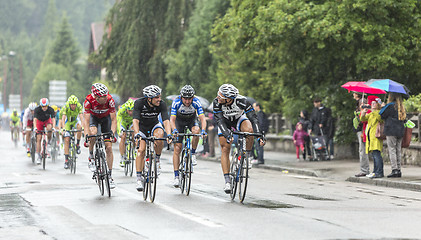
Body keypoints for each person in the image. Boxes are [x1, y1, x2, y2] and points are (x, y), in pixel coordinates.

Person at [213, 83, 265, 193]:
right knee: (225, 148)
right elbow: (219, 121)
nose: (218, 97)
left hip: (239, 120)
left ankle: (246, 155)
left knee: (249, 131)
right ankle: (227, 181)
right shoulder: (216, 102)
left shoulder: (242, 101)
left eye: (220, 96)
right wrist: (227, 135)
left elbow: (253, 118)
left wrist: (259, 135)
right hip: (224, 123)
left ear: (228, 99)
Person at [133, 85, 173, 192]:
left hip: (154, 125)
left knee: (160, 136)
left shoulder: (161, 104)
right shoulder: (139, 103)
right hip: (141, 127)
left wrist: (169, 134)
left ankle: (157, 159)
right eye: (157, 97)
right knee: (141, 150)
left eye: (159, 97)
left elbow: (166, 120)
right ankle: (138, 178)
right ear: (149, 98)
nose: (159, 99)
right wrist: (137, 134)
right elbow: (135, 121)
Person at [170, 85, 207, 188]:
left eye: (189, 98)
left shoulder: (196, 102)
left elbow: (202, 119)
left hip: (191, 120)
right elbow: (172, 120)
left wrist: (203, 130)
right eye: (185, 98)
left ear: (193, 97)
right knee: (177, 148)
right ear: (181, 97)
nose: (187, 101)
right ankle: (176, 176)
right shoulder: (176, 102)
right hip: (179, 122)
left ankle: (193, 153)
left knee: (196, 131)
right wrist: (175, 130)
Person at [83, 83, 117, 189]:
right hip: (93, 118)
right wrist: (87, 136)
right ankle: (91, 156)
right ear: (97, 97)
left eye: (106, 95)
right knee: (93, 133)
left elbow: (114, 119)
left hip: (105, 119)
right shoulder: (88, 101)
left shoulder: (110, 100)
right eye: (104, 96)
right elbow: (86, 122)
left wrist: (112, 133)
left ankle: (110, 176)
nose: (106, 97)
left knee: (109, 147)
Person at [380, 93, 406, 178]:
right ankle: (398, 170)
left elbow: (382, 115)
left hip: (391, 130)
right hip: (400, 131)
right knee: (398, 150)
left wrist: (383, 106)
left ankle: (394, 169)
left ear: (391, 97)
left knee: (392, 150)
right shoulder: (401, 107)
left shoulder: (390, 106)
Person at [360, 95, 384, 178]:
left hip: (376, 137)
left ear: (378, 105)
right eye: (372, 103)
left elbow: (380, 118)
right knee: (374, 155)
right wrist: (363, 112)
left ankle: (379, 172)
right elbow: (363, 119)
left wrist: (375, 110)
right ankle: (375, 171)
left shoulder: (378, 112)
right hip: (371, 138)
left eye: (375, 103)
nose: (373, 104)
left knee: (377, 155)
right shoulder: (370, 114)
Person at [61, 95, 84, 169]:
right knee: (67, 139)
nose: (73, 106)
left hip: (75, 122)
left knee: (79, 127)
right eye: (72, 105)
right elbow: (63, 118)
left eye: (74, 104)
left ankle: (77, 144)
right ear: (69, 104)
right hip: (68, 123)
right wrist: (63, 128)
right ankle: (66, 160)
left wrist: (83, 126)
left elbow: (81, 117)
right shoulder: (66, 106)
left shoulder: (79, 106)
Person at [33, 98, 56, 164]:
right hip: (39, 122)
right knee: (39, 138)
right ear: (40, 106)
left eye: (45, 106)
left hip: (47, 121)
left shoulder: (50, 109)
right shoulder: (37, 109)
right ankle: (39, 155)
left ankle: (48, 141)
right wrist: (35, 127)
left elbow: (53, 119)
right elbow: (35, 119)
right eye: (43, 106)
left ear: (47, 105)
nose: (44, 108)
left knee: (49, 128)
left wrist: (53, 127)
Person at [354, 98, 371, 177]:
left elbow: (363, 120)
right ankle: (364, 169)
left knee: (363, 151)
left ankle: (364, 170)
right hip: (361, 131)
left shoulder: (367, 111)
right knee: (362, 150)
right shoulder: (360, 111)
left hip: (364, 132)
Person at [117, 98, 135, 167]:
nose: (130, 112)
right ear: (126, 109)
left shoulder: (136, 110)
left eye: (131, 111)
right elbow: (119, 121)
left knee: (134, 132)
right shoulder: (122, 109)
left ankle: (134, 149)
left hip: (132, 122)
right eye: (129, 110)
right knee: (123, 137)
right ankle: (122, 157)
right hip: (124, 123)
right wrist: (120, 132)